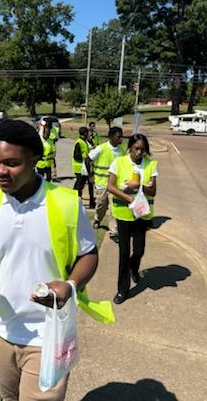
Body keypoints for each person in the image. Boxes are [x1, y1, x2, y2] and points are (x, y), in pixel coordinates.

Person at [0, 120, 114, 401]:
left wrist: (71, 284)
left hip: (48, 333)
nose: (0, 172)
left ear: (34, 160)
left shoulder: (65, 202)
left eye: (11, 163)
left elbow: (88, 253)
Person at [107, 133, 158, 305]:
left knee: (139, 250)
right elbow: (110, 187)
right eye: (136, 148)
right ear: (130, 147)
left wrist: (142, 186)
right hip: (124, 215)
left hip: (141, 215)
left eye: (143, 150)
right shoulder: (119, 162)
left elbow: (154, 192)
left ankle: (134, 268)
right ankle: (122, 289)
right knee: (124, 252)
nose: (139, 153)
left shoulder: (150, 165)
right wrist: (130, 198)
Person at [85, 127, 124, 241]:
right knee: (101, 206)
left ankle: (113, 232)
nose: (121, 138)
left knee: (114, 209)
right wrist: (90, 175)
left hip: (115, 186)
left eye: (121, 136)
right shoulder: (101, 148)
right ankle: (97, 219)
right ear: (111, 137)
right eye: (119, 136)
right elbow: (87, 159)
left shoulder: (121, 150)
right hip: (101, 184)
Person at [72, 126, 95, 208]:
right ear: (85, 133)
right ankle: (77, 202)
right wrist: (84, 158)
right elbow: (76, 156)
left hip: (85, 167)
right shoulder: (79, 142)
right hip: (80, 168)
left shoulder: (84, 141)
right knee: (80, 186)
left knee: (83, 185)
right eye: (87, 132)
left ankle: (91, 202)